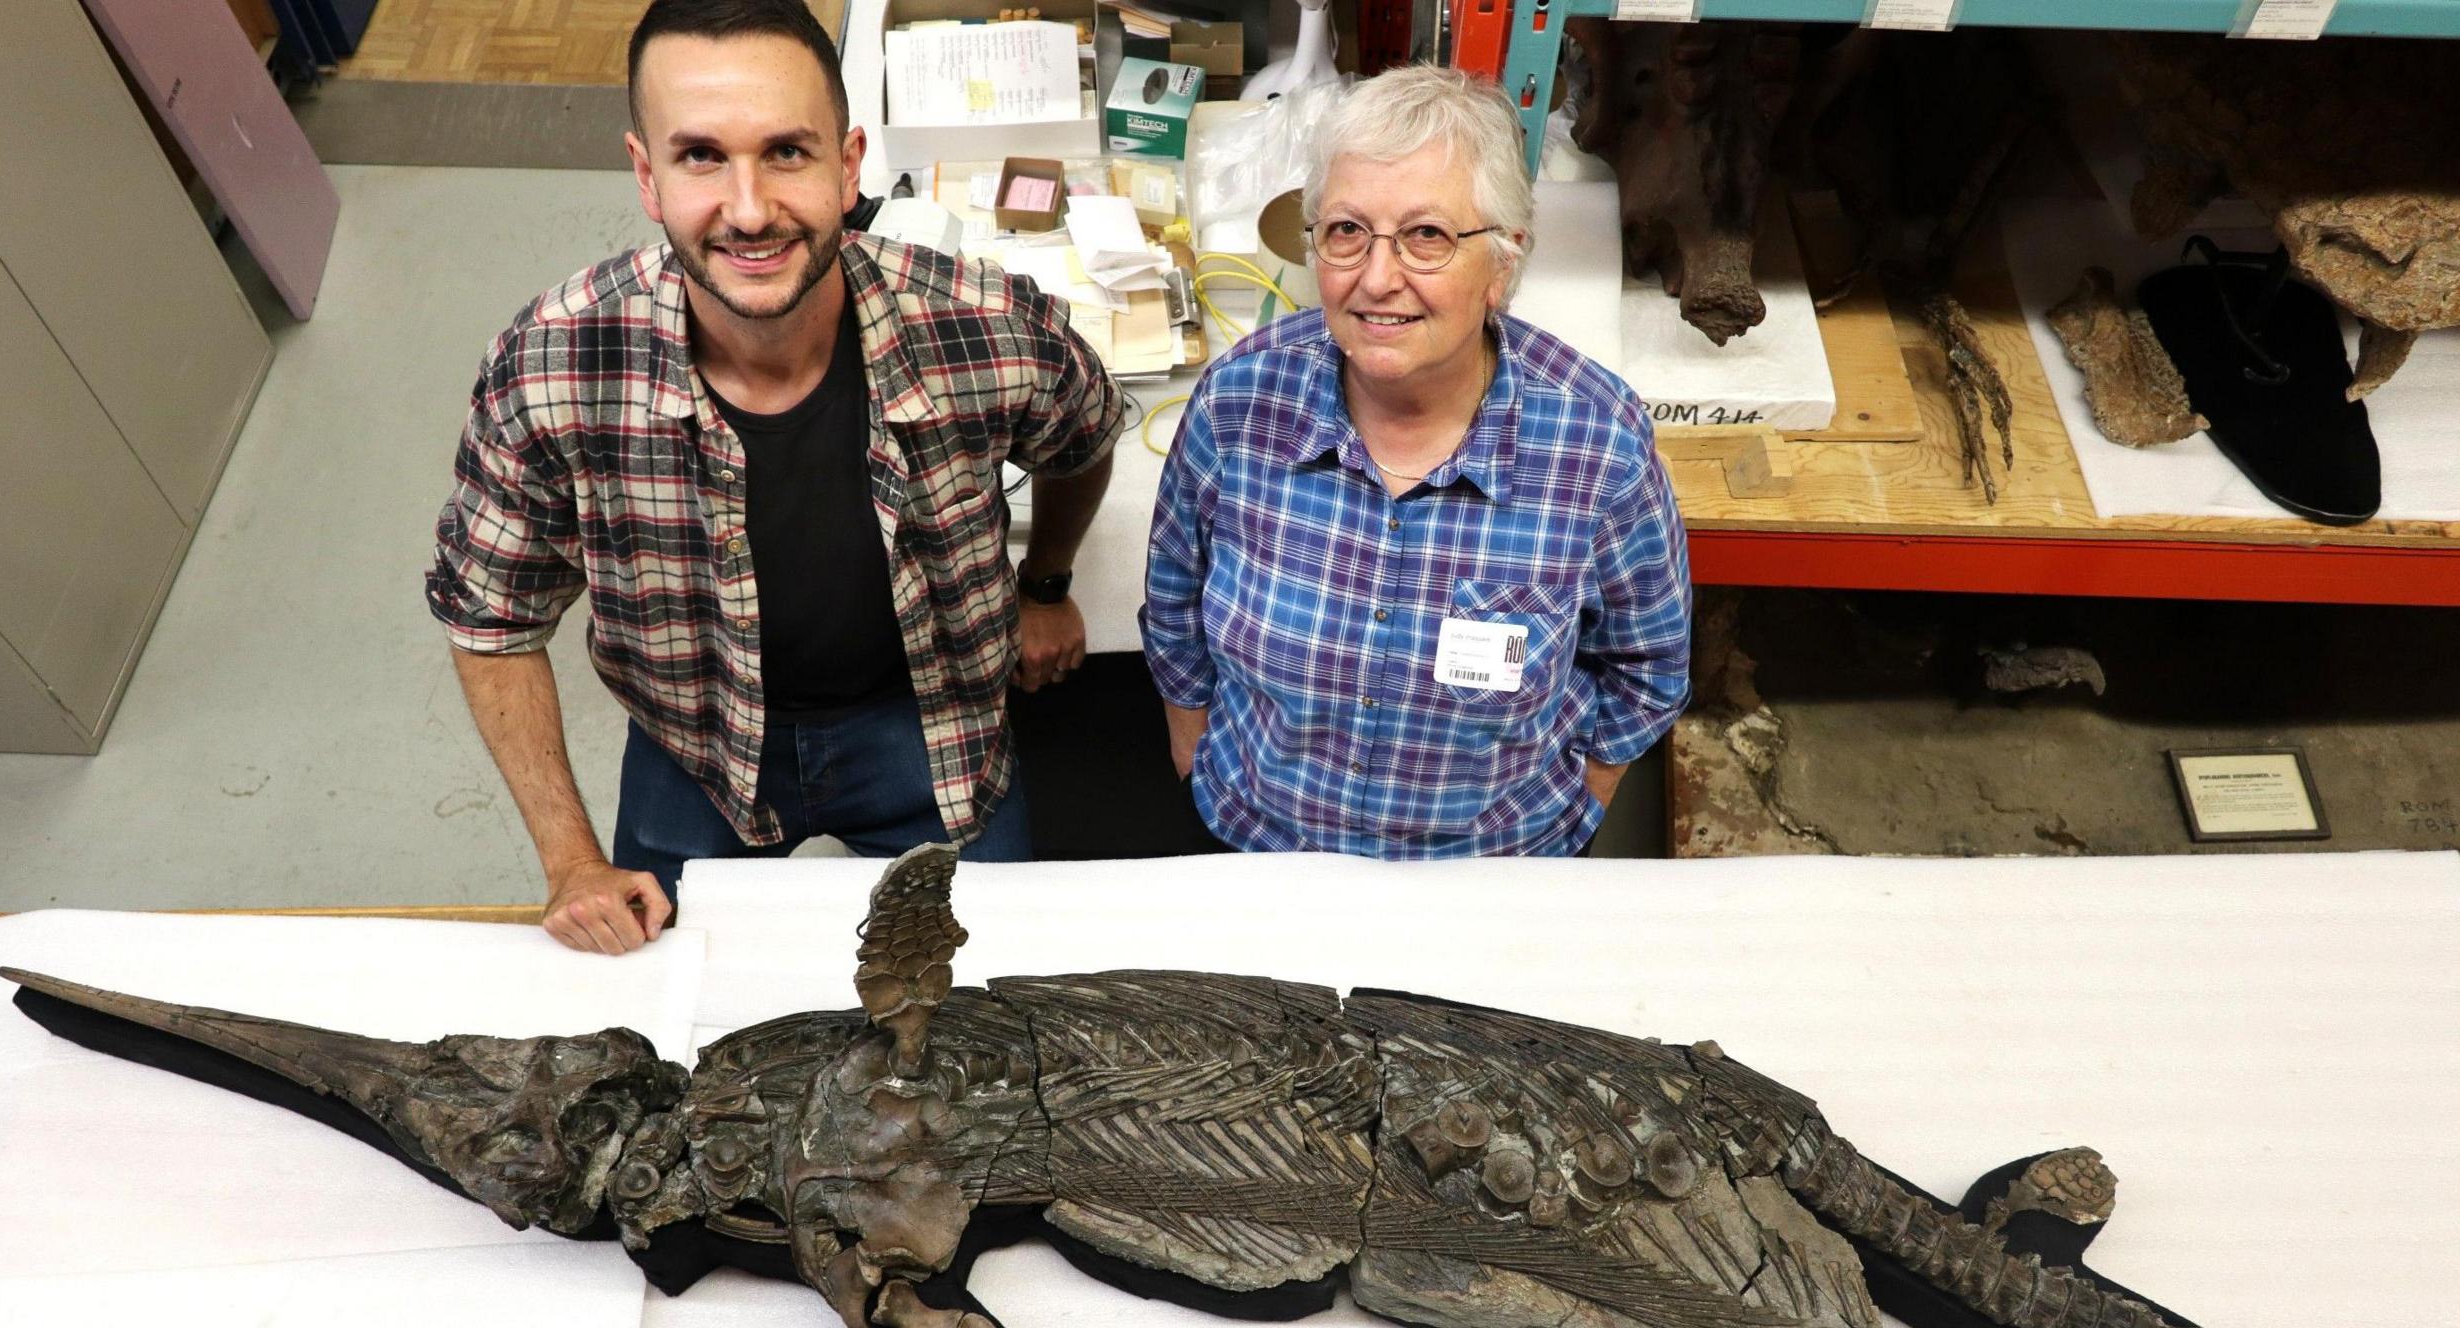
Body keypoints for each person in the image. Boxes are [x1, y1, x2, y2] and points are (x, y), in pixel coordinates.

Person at [427, 0, 1122, 954]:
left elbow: (1083, 439)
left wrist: (1046, 584)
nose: (750, 212)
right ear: (647, 174)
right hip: (695, 742)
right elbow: (490, 622)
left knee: (993, 988)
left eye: (787, 152)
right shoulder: (551, 369)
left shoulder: (987, 326)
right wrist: (572, 860)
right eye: (701, 156)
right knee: (658, 1003)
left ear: (849, 165)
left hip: (930, 726)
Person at [1141, 66, 1690, 858]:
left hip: (1493, 867)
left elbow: (1649, 664)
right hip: (1264, 844)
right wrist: (1192, 749)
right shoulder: (1239, 404)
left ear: (1502, 264)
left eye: (1427, 235)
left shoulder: (1597, 445)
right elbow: (1173, 598)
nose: (1376, 278)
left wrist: (1582, 803)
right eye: (1346, 230)